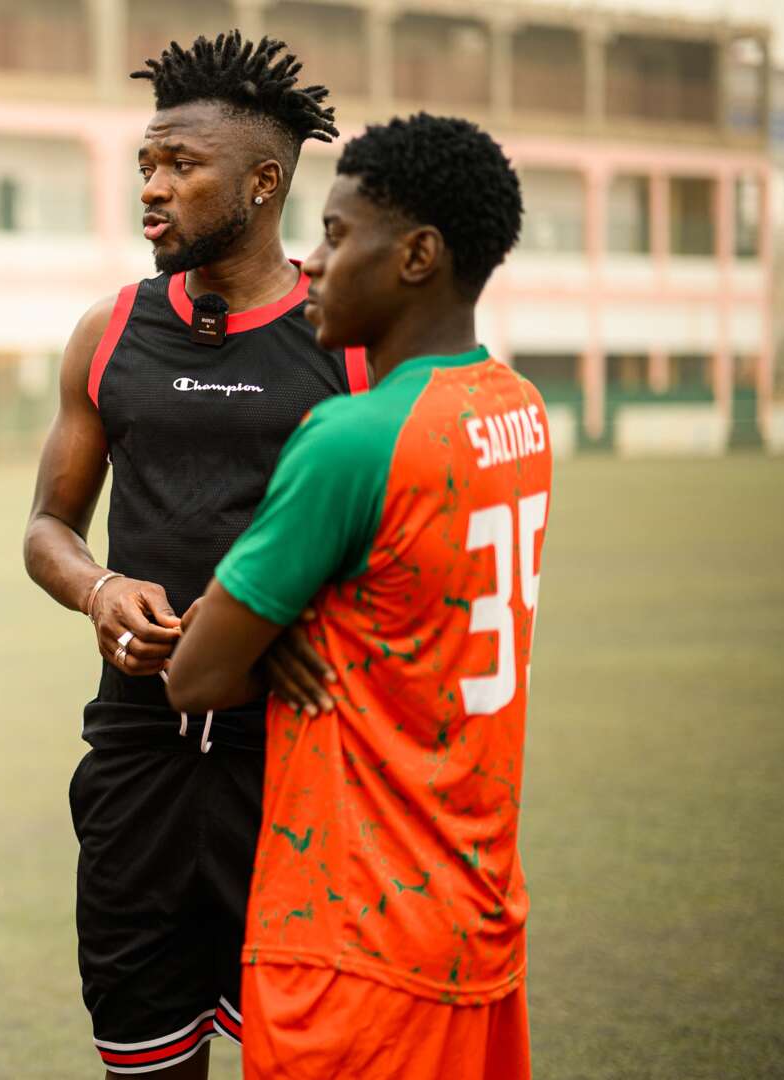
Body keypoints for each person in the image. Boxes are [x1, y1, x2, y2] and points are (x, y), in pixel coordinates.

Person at [166, 112, 539, 1080]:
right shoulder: (518, 410)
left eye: (336, 237)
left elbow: (197, 673)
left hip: (351, 932)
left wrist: (265, 628)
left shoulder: (350, 437)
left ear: (417, 255)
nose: (312, 264)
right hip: (478, 911)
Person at [21, 31, 363, 1078]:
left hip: (299, 759)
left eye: (181, 167)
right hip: (137, 756)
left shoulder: (345, 336)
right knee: (143, 1057)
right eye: (146, 167)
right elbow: (47, 529)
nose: (152, 189)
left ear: (264, 183)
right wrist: (99, 589)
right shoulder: (111, 329)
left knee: (294, 1056)